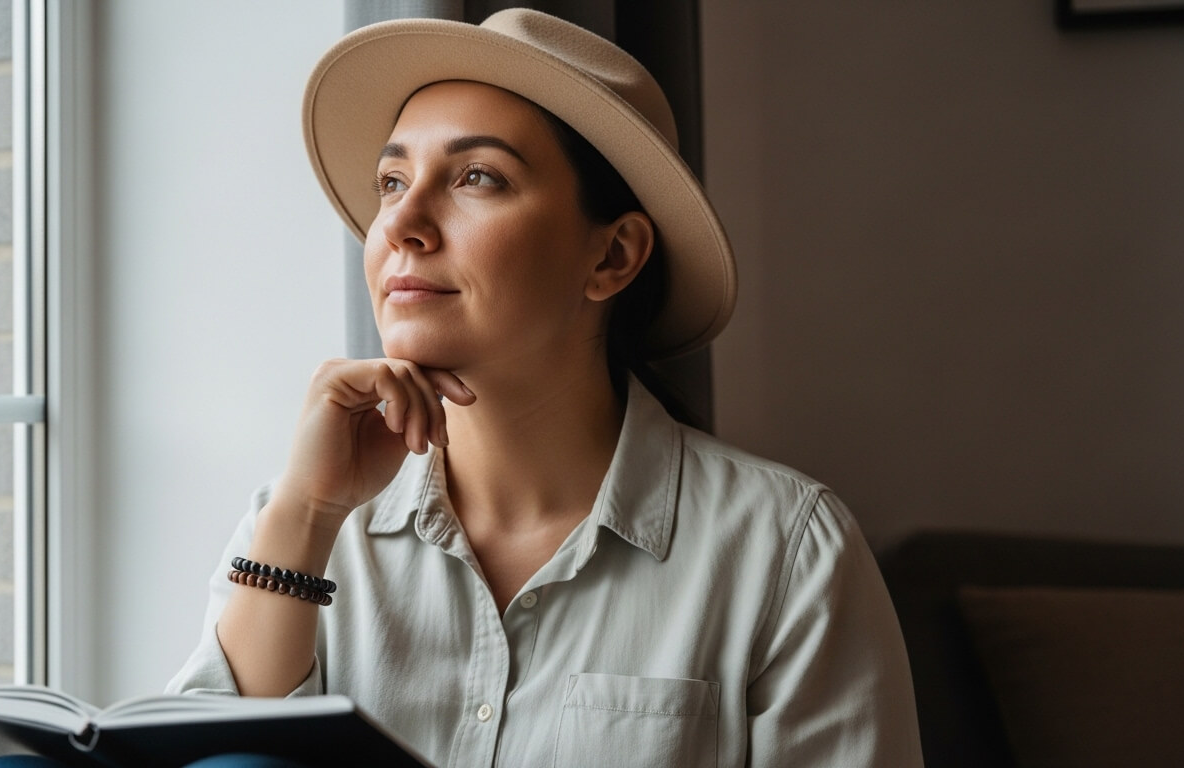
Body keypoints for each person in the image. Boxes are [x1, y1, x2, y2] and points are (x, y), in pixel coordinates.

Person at [160, 8, 922, 768]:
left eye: (476, 177)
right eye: (391, 181)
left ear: (613, 256)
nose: (402, 225)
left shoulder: (785, 555)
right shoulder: (299, 524)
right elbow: (214, 758)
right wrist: (309, 511)